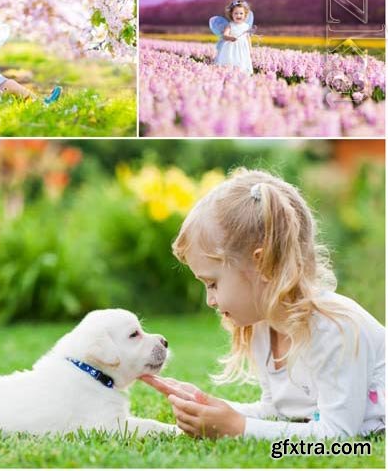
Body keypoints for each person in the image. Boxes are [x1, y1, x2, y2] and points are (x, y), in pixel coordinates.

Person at [141, 168, 385, 443]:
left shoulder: (335, 330)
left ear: (261, 264)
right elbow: (277, 412)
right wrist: (207, 406)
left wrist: (237, 428)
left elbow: (337, 435)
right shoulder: (263, 327)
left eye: (212, 284)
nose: (210, 300)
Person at [209, 0, 254, 74]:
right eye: (235, 13)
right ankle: (229, 72)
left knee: (242, 60)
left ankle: (241, 73)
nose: (238, 15)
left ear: (245, 15)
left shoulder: (246, 26)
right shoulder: (230, 25)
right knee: (230, 60)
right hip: (231, 47)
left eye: (241, 13)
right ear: (231, 14)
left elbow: (248, 38)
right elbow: (224, 35)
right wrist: (230, 38)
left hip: (242, 48)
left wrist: (250, 49)